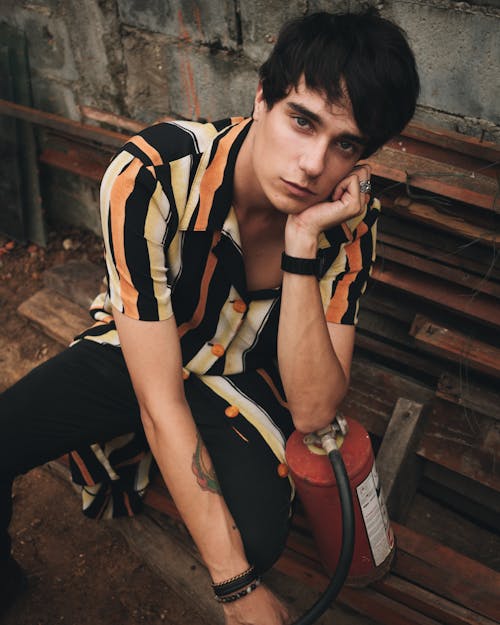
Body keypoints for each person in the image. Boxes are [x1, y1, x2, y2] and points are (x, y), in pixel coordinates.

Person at [0, 9, 419, 624]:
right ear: (261, 99)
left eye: (344, 144)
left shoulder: (348, 220)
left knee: (258, 542)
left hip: (245, 379)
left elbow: (313, 412)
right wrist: (236, 589)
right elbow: (158, 396)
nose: (311, 163)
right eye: (302, 121)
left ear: (361, 160)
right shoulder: (151, 175)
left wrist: (302, 245)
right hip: (147, 346)